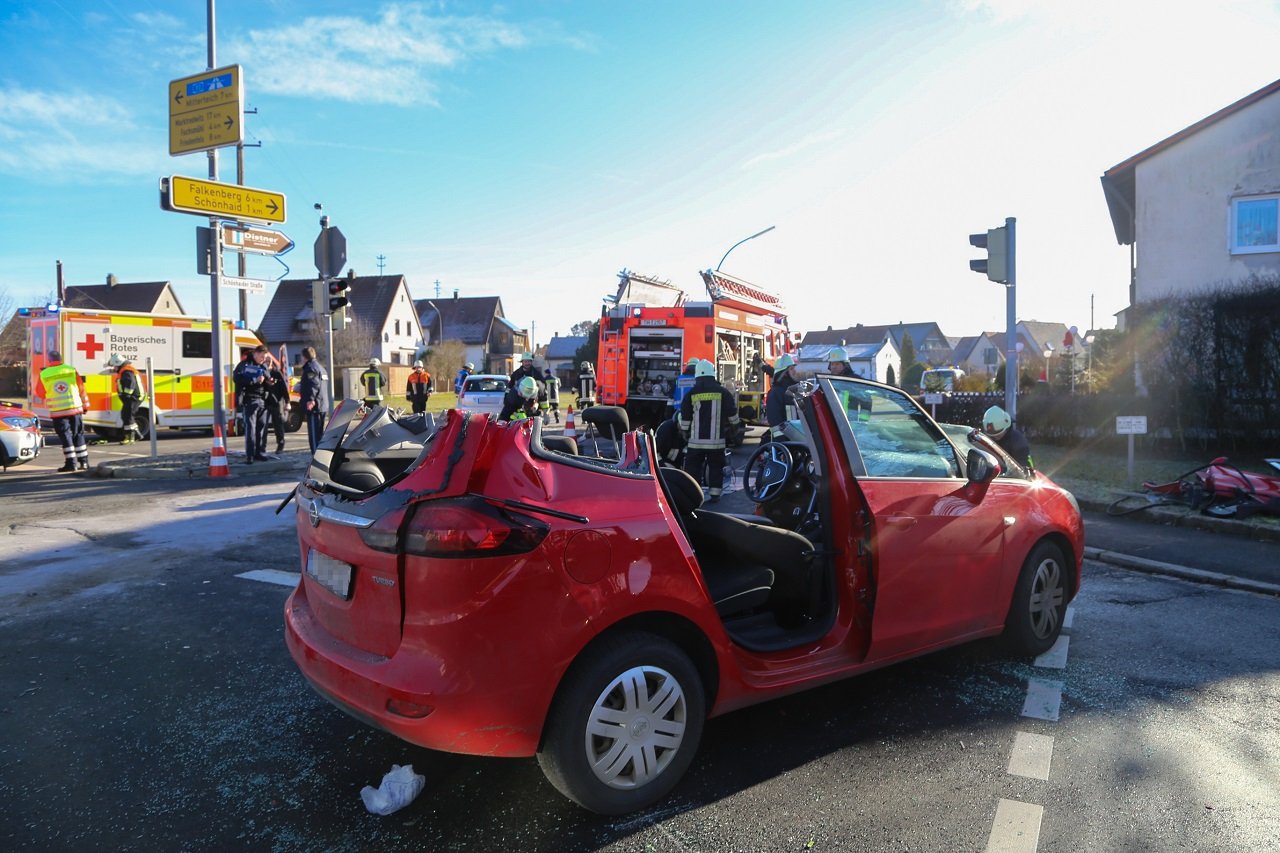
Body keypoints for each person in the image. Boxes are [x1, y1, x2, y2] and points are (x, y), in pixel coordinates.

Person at [678, 359, 740, 503]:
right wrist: (734, 429)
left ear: (698, 375)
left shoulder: (691, 394)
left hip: (695, 442)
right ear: (713, 374)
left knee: (693, 468)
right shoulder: (723, 392)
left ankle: (693, 494)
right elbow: (732, 414)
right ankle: (715, 494)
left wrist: (685, 432)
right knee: (715, 467)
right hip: (716, 442)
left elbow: (685, 416)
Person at [37, 349, 90, 472]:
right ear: (60, 359)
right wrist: (85, 405)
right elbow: (81, 388)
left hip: (58, 411)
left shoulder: (44, 374)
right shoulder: (71, 370)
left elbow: (40, 393)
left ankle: (71, 464)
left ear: (49, 360)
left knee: (65, 436)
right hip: (75, 408)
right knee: (78, 434)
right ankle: (84, 462)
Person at [233, 345, 273, 463]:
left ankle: (259, 452)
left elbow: (268, 377)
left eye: (264, 358)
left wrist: (269, 381)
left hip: (262, 400)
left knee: (261, 428)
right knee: (251, 429)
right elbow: (237, 379)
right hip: (249, 399)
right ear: (255, 353)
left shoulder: (263, 365)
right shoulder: (244, 365)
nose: (262, 359)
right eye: (261, 357)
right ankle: (250, 455)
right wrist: (254, 380)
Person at [297, 346, 329, 453]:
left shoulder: (310, 368)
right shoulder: (321, 368)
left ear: (304, 357)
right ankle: (319, 456)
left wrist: (311, 399)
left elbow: (313, 384)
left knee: (315, 436)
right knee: (320, 435)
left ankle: (315, 459)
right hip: (322, 405)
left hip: (315, 407)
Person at [981, 405, 1032, 469]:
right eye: (992, 435)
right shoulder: (987, 439)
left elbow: (1023, 467)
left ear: (1006, 427)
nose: (996, 436)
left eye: (998, 433)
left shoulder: (1019, 442)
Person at [763, 353, 799, 438]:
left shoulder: (795, 391)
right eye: (791, 369)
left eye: (794, 368)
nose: (794, 371)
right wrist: (783, 441)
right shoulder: (775, 393)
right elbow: (775, 422)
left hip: (798, 439)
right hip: (786, 442)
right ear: (784, 373)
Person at [113, 356, 146, 444]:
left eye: (115, 366)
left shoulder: (127, 371)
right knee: (125, 415)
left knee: (128, 416)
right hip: (132, 397)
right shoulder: (125, 370)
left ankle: (130, 438)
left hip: (134, 397)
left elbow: (130, 383)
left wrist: (126, 394)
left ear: (119, 364)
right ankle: (137, 435)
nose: (114, 368)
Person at [264, 356, 290, 453]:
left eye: (269, 361)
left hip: (276, 403)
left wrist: (287, 401)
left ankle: (280, 444)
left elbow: (283, 388)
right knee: (264, 426)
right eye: (266, 361)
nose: (268, 363)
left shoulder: (276, 374)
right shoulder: (263, 373)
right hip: (266, 403)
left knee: (278, 424)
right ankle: (262, 447)